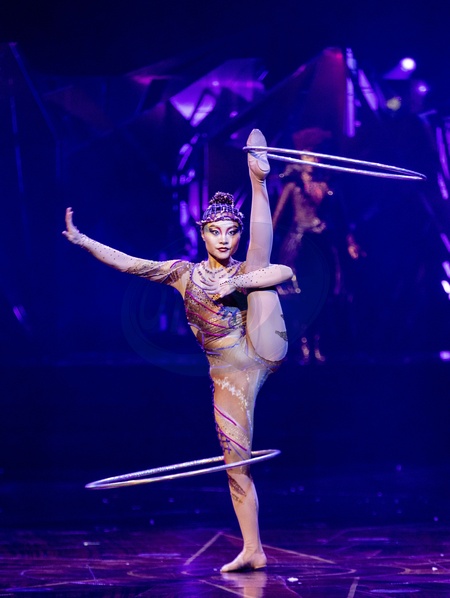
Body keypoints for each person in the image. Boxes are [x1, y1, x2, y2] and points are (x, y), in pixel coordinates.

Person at [63, 129, 293, 573]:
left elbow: (283, 271)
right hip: (227, 375)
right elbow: (130, 263)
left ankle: (258, 178)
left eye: (232, 231)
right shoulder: (183, 274)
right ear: (203, 234)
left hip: (263, 346)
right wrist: (84, 241)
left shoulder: (244, 267)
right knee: (235, 465)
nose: (224, 239)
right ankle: (253, 549)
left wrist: (240, 282)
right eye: (216, 232)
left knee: (261, 268)